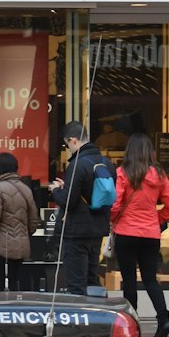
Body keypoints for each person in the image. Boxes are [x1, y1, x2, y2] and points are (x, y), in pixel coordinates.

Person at [109, 131, 169, 337]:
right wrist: (157, 219)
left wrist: (113, 219)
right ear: (150, 151)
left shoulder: (123, 172)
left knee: (129, 279)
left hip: (126, 232)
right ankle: (163, 318)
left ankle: (132, 325)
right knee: (150, 278)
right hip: (150, 233)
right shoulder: (159, 174)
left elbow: (115, 203)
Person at [48, 121, 113, 296]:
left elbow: (68, 202)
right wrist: (66, 187)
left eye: (67, 144)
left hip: (76, 233)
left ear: (74, 140)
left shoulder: (77, 164)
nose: (68, 148)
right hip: (97, 230)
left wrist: (56, 191)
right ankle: (98, 317)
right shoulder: (106, 163)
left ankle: (79, 322)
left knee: (76, 283)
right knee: (92, 278)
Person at [0, 152, 39, 291]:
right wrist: (22, 236)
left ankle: (0, 311)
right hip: (21, 248)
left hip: (0, 249)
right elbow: (34, 222)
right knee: (15, 283)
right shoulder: (26, 189)